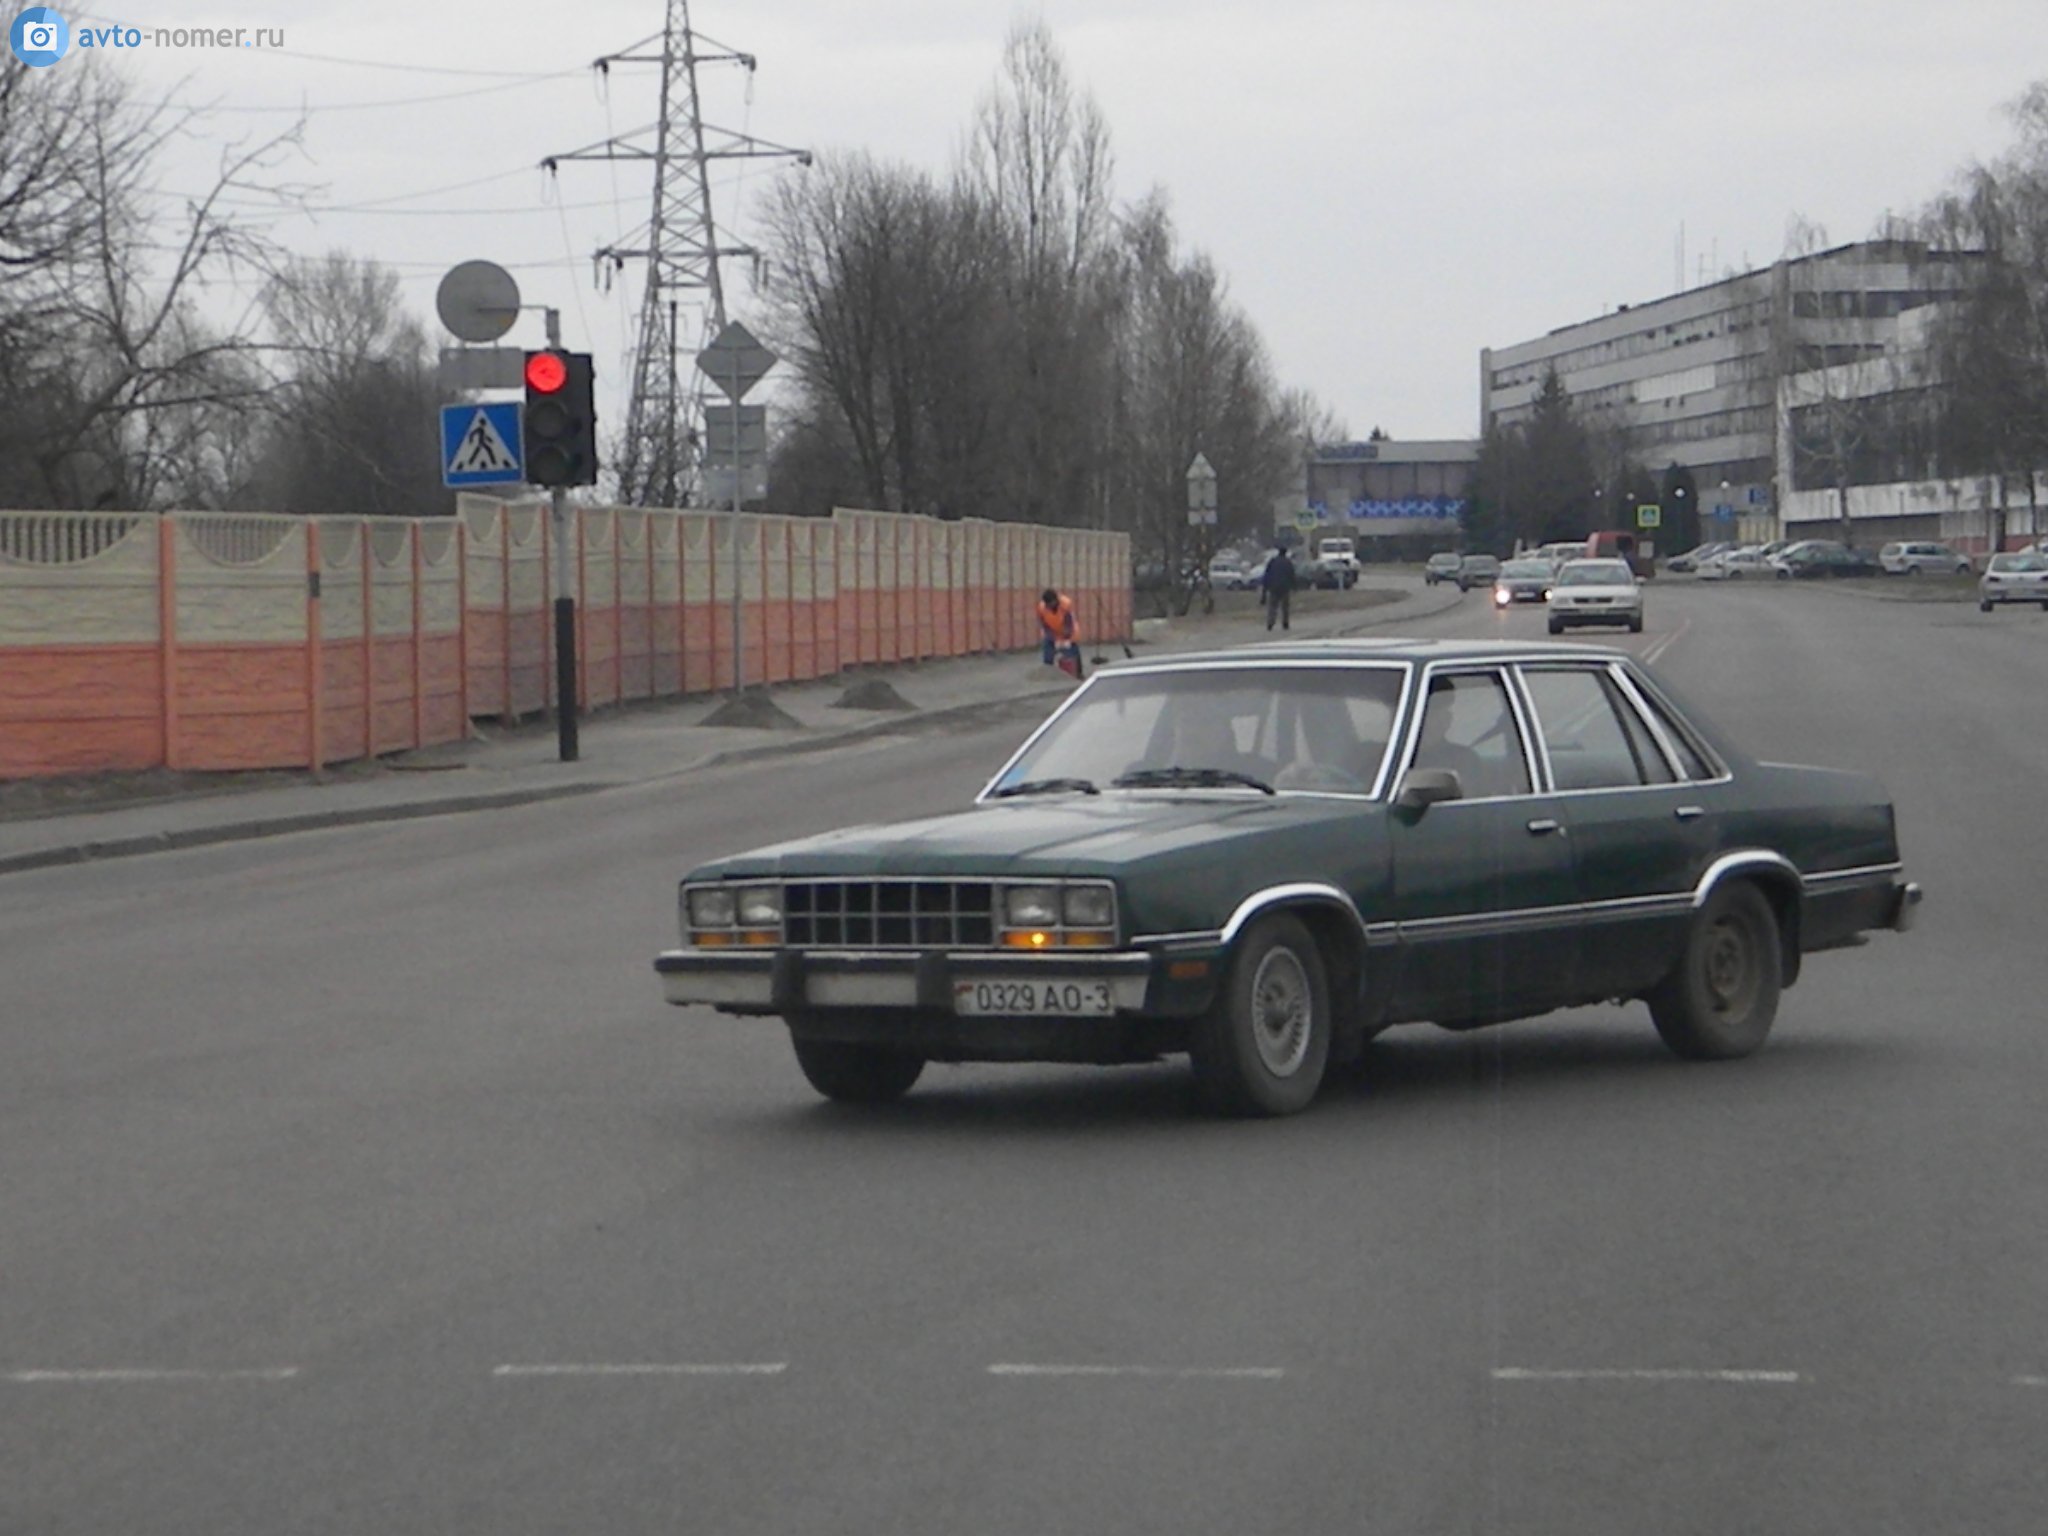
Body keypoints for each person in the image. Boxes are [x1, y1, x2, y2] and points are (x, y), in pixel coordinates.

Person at [1036, 587, 1083, 678]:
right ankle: (1048, 671)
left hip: (1069, 632)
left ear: (1055, 601)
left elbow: (1069, 623)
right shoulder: (1042, 608)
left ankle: (1077, 674)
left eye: (1051, 604)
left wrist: (1065, 639)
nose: (1049, 606)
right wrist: (1052, 637)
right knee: (1048, 648)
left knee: (1072, 652)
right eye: (1047, 605)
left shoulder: (1065, 605)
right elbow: (1044, 624)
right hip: (1053, 632)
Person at [1260, 545, 1296, 631]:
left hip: (1273, 587)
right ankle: (1285, 623)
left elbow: (1267, 575)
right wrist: (1294, 586)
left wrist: (1264, 590)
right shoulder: (1288, 563)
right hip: (1285, 587)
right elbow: (1291, 575)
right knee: (1285, 607)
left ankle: (1270, 622)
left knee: (1272, 606)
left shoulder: (1273, 562)